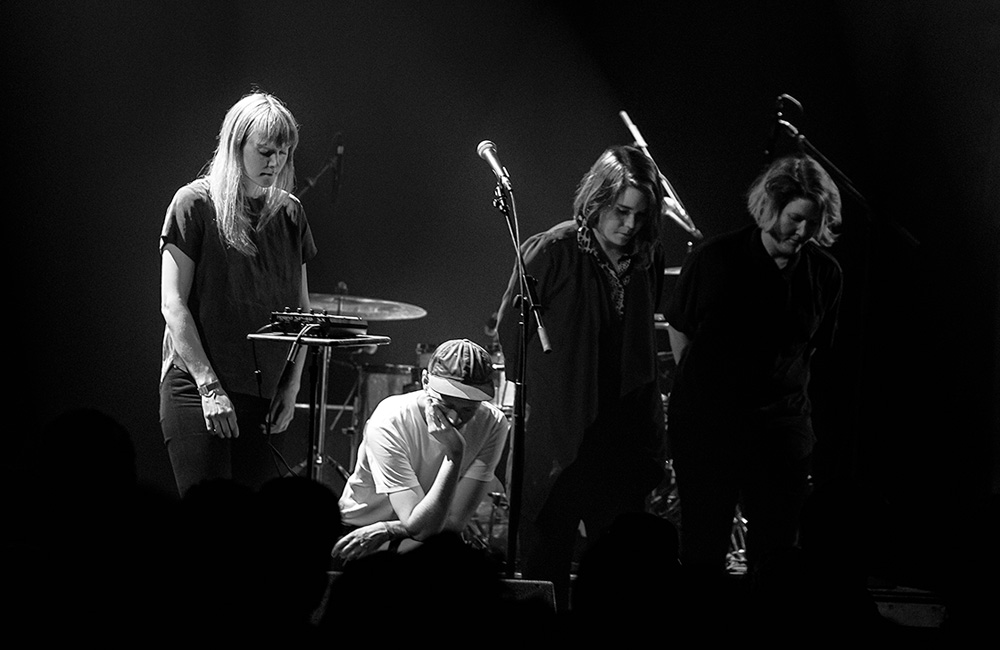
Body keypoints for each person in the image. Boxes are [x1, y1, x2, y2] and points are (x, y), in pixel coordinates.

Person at [496, 145, 676, 609]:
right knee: (546, 563)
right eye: (621, 211)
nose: (630, 225)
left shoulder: (647, 257)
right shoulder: (553, 249)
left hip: (622, 440)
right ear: (597, 201)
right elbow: (511, 330)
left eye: (640, 215)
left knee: (620, 577)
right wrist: (548, 394)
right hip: (561, 438)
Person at [664, 154, 843, 579]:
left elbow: (816, 350)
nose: (803, 232)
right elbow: (680, 328)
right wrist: (703, 388)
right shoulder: (714, 258)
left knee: (777, 556)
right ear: (770, 208)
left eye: (812, 222)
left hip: (780, 430)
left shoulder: (825, 274)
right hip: (710, 428)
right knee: (703, 550)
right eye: (795, 218)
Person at [159, 91, 315, 497]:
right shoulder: (193, 203)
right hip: (198, 388)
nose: (275, 162)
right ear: (236, 145)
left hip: (264, 395)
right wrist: (209, 388)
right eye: (265, 151)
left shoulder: (291, 213)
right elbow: (173, 304)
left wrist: (291, 387)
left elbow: (302, 313)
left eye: (283, 152)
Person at [332, 339, 510, 561]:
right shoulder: (390, 420)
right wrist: (454, 455)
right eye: (446, 405)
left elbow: (453, 522)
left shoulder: (493, 423)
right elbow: (418, 523)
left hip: (420, 539)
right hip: (360, 537)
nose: (455, 418)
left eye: (468, 410)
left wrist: (455, 454)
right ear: (425, 381)